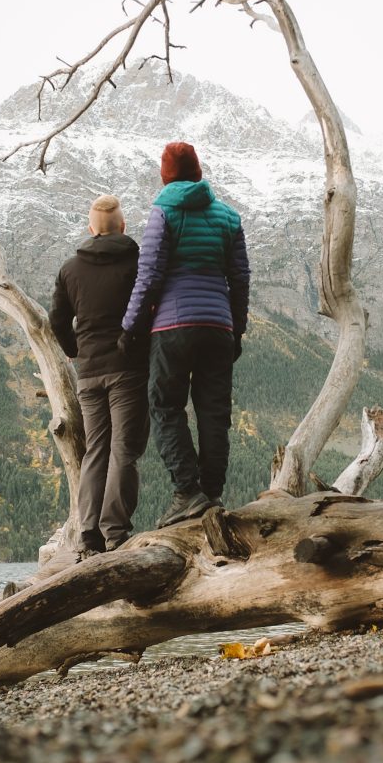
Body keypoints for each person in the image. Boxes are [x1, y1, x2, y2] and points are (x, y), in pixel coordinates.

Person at [119, 141, 250, 527]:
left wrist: (130, 326)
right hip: (218, 328)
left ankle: (187, 492)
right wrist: (236, 330)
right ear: (198, 171)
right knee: (214, 412)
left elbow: (151, 275)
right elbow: (239, 280)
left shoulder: (164, 212)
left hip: (173, 327)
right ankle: (211, 493)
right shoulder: (229, 217)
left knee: (165, 406)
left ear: (166, 175)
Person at [49, 194, 149, 559]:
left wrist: (76, 351)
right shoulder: (138, 263)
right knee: (125, 449)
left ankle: (88, 535)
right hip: (128, 369)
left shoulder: (70, 269)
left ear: (90, 229)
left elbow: (57, 321)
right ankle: (116, 531)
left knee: (96, 450)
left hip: (88, 373)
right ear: (122, 226)